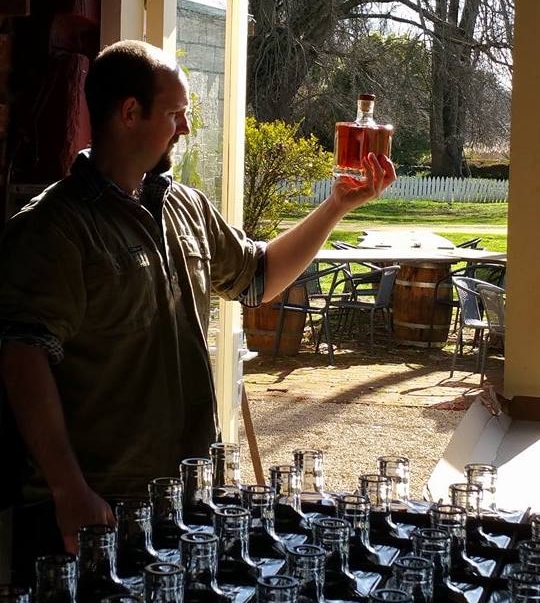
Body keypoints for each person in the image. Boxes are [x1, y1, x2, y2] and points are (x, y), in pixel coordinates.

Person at [0, 40, 396, 583]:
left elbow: (259, 278)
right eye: (175, 114)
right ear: (129, 113)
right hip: (92, 509)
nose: (185, 129)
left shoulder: (186, 208)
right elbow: (23, 357)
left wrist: (336, 206)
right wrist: (71, 490)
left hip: (183, 496)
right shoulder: (55, 228)